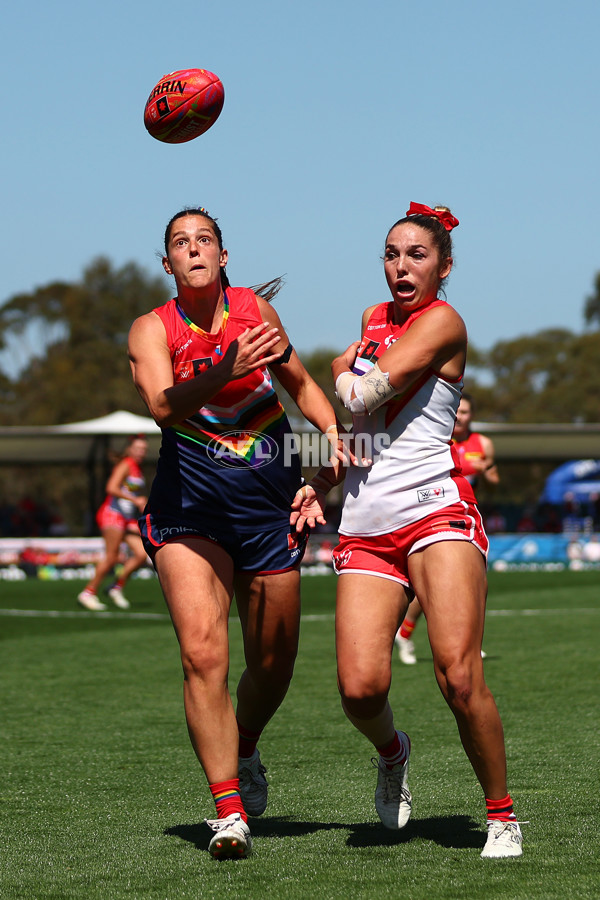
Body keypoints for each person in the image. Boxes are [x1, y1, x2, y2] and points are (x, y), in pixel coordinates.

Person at [291, 203, 523, 859]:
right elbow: (361, 428)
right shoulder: (372, 319)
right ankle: (394, 753)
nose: (401, 265)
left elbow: (360, 396)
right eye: (391, 254)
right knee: (359, 689)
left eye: (417, 254)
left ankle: (501, 816)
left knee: (458, 677)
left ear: (444, 266)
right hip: (366, 525)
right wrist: (320, 480)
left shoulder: (444, 321)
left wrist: (338, 369)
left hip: (435, 511)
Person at [127, 207, 347, 860]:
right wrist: (225, 368)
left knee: (273, 664)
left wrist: (332, 440)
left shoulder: (256, 313)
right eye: (181, 243)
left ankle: (245, 745)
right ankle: (228, 811)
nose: (193, 249)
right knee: (203, 655)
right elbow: (163, 408)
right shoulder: (151, 329)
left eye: (205, 240)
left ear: (223, 256)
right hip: (188, 512)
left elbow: (301, 386)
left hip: (268, 507)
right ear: (168, 263)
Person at [395, 393, 499, 664]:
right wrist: (469, 467)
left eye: (465, 412)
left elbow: (494, 481)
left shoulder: (483, 443)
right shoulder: (437, 437)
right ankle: (406, 633)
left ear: (471, 415)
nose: (460, 417)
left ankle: (469, 642)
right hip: (436, 515)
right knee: (430, 584)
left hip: (469, 516)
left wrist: (487, 471)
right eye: (457, 411)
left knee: (476, 581)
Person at [77, 434, 149, 610]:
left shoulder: (136, 468)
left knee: (141, 554)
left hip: (125, 519)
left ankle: (116, 587)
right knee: (111, 557)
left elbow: (131, 492)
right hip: (112, 515)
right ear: (129, 449)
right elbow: (111, 487)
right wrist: (135, 500)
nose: (141, 452)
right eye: (138, 448)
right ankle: (88, 593)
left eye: (144, 449)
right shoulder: (125, 465)